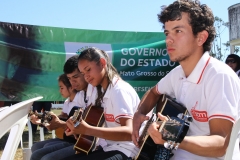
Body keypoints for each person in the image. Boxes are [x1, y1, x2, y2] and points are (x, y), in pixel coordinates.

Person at [132, 1, 240, 160]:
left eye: (178, 31)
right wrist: (139, 113)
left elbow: (221, 144)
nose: (168, 39)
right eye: (167, 32)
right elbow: (154, 92)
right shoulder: (177, 74)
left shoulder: (219, 76)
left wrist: (172, 138)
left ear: (201, 37)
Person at [62, 47, 140, 160]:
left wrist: (87, 129)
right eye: (83, 73)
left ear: (102, 63)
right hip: (111, 147)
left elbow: (129, 132)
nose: (86, 76)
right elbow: (90, 120)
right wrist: (77, 128)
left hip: (128, 150)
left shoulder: (119, 90)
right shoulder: (99, 90)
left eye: (88, 69)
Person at [30, 55, 92, 160]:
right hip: (76, 139)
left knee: (44, 156)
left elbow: (83, 126)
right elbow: (65, 119)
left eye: (75, 77)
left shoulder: (83, 97)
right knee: (37, 147)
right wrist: (43, 121)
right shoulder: (77, 97)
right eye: (69, 78)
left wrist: (60, 124)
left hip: (83, 141)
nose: (72, 82)